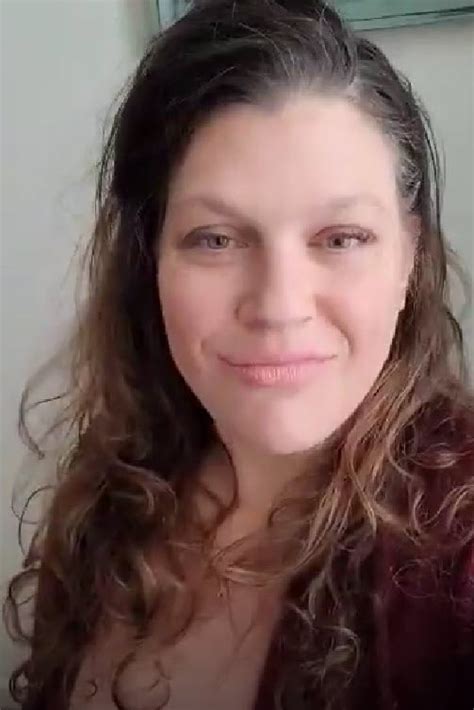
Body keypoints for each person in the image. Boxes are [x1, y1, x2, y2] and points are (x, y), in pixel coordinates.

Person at [4, 1, 473, 708]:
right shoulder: (116, 489)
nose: (278, 305)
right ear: (149, 260)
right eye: (216, 239)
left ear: (410, 256)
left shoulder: (460, 559)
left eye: (341, 238)